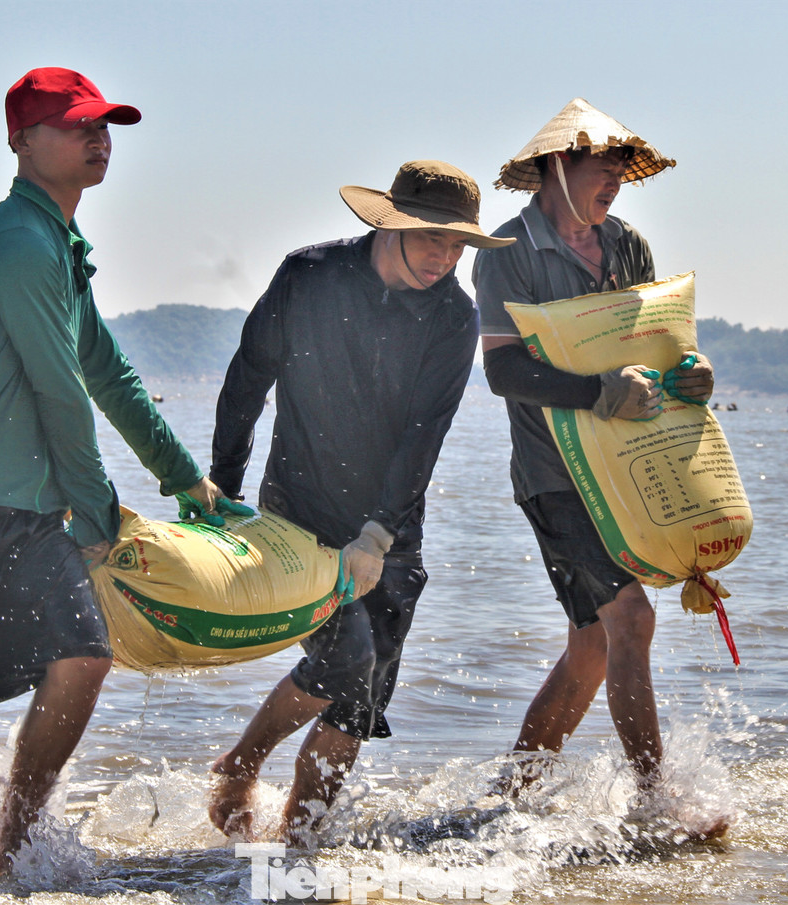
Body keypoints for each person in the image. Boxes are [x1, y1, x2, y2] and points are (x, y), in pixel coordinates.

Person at [0, 67, 236, 884]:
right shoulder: (16, 242)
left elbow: (108, 373)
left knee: (83, 660)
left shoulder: (61, 249)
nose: (97, 137)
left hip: (27, 505)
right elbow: (59, 390)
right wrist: (101, 516)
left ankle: (16, 842)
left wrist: (187, 480)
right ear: (21, 141)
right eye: (76, 125)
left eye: (103, 124)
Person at [205, 160, 513, 845]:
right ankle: (241, 764)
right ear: (390, 224)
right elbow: (247, 378)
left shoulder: (454, 316)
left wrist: (377, 536)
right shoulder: (308, 275)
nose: (444, 256)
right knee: (345, 659)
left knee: (364, 693)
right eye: (431, 237)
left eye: (458, 243)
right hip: (300, 510)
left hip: (392, 522)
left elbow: (421, 435)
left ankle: (298, 846)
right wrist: (221, 490)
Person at [472, 99, 717, 812]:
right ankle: (655, 802)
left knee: (592, 644)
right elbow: (502, 372)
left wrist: (694, 370)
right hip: (554, 477)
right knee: (631, 620)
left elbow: (655, 345)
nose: (613, 183)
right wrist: (596, 393)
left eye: (620, 172)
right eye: (601, 169)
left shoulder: (629, 245)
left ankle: (509, 797)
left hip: (624, 472)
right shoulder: (508, 253)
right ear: (557, 164)